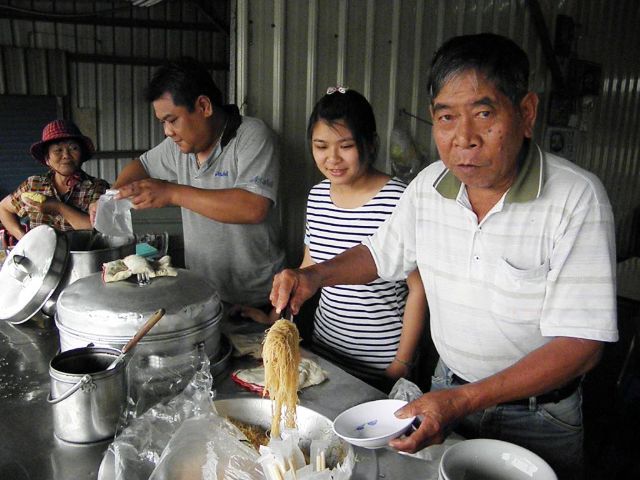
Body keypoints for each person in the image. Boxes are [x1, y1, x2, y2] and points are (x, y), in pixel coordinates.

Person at [270, 33, 618, 479]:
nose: (463, 139)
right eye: (446, 117)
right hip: (445, 391)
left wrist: (463, 400)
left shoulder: (577, 198)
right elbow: (380, 256)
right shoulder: (429, 185)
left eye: (484, 114)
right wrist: (315, 276)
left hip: (538, 417)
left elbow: (582, 345)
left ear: (526, 113)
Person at [239, 88, 427, 390]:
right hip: (325, 355)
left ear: (370, 144)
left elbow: (419, 289)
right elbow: (309, 265)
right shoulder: (317, 197)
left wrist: (402, 364)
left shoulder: (400, 199)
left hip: (382, 361)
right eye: (321, 146)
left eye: (346, 146)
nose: (332, 158)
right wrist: (272, 317)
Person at [92, 57, 285, 307]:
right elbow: (142, 165)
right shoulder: (178, 148)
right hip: (202, 290)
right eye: (163, 122)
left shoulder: (251, 136)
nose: (167, 131)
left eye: (172, 120)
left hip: (258, 297)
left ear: (204, 106)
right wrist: (114, 195)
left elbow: (253, 207)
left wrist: (172, 193)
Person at [0, 119, 109, 241]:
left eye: (73, 148)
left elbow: (100, 230)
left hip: (82, 258)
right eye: (58, 150)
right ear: (47, 159)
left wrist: (58, 207)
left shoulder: (97, 187)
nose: (66, 155)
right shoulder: (34, 185)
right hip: (40, 257)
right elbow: (3, 208)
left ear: (82, 155)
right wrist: (23, 238)